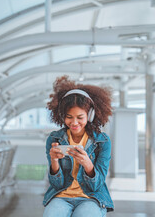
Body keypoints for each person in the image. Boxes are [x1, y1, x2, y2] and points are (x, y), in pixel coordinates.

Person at [43, 76, 114, 217]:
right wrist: (54, 162)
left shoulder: (102, 142)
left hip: (91, 197)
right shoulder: (54, 138)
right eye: (69, 117)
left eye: (80, 117)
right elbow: (56, 184)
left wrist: (88, 164)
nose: (74, 122)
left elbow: (96, 185)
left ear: (91, 115)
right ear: (62, 116)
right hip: (61, 196)